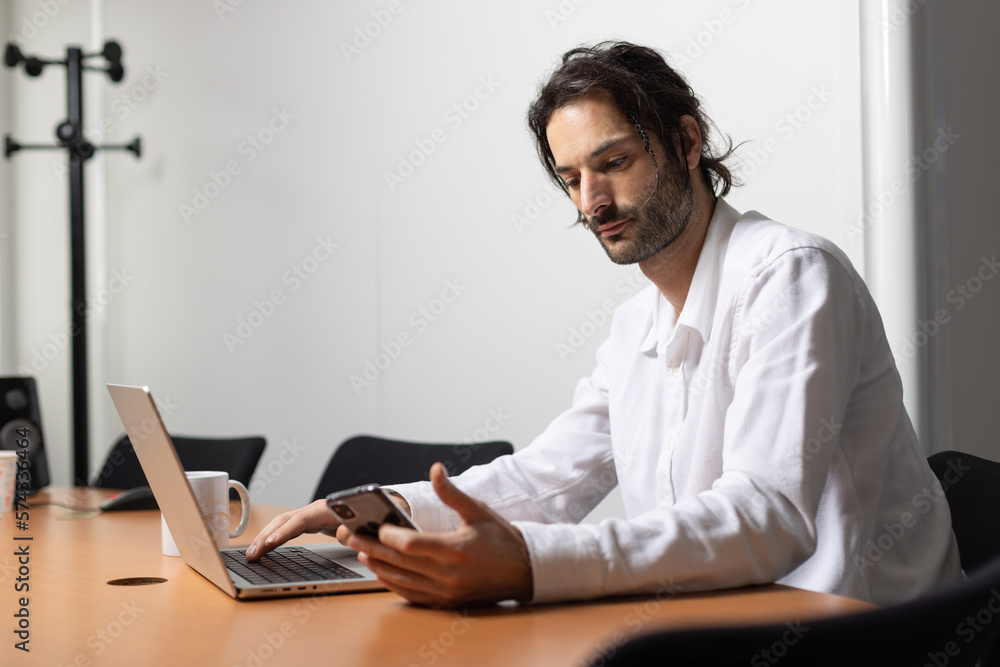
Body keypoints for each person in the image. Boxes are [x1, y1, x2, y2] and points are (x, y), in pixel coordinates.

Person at [247, 41, 961, 607]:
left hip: (871, 637)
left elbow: (765, 515)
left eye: (612, 162)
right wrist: (379, 508)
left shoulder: (792, 275)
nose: (592, 201)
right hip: (724, 624)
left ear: (686, 142)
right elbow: (549, 482)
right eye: (570, 177)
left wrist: (531, 564)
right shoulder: (634, 329)